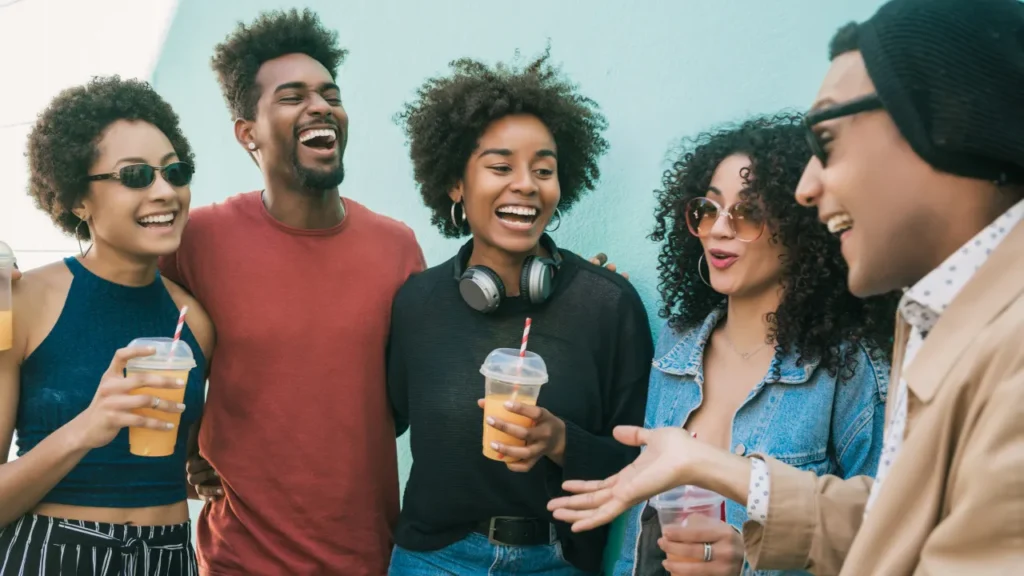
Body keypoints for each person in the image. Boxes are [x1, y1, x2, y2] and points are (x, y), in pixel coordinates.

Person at [548, 0, 1024, 574]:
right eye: (706, 209)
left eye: (828, 140)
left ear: (945, 125)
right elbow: (890, 524)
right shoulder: (929, 319)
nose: (807, 187)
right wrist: (701, 463)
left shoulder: (963, 357)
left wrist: (744, 558)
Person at [386, 49, 654, 575]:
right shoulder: (416, 303)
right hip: (429, 560)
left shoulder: (607, 304)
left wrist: (561, 442)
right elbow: (379, 422)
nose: (526, 184)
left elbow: (641, 462)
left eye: (544, 169)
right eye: (501, 166)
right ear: (456, 184)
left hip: (557, 561)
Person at [614, 114, 897, 576]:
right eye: (709, 209)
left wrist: (744, 564)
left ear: (801, 225)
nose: (720, 229)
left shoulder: (849, 369)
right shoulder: (675, 345)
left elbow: (882, 545)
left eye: (748, 213)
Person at [0, 76, 214, 575]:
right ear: (78, 199)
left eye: (175, 172)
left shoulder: (195, 321)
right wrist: (86, 429)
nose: (165, 191)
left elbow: (171, 467)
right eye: (136, 175)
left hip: (170, 556)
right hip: (52, 553)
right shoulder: (22, 302)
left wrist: (203, 473)